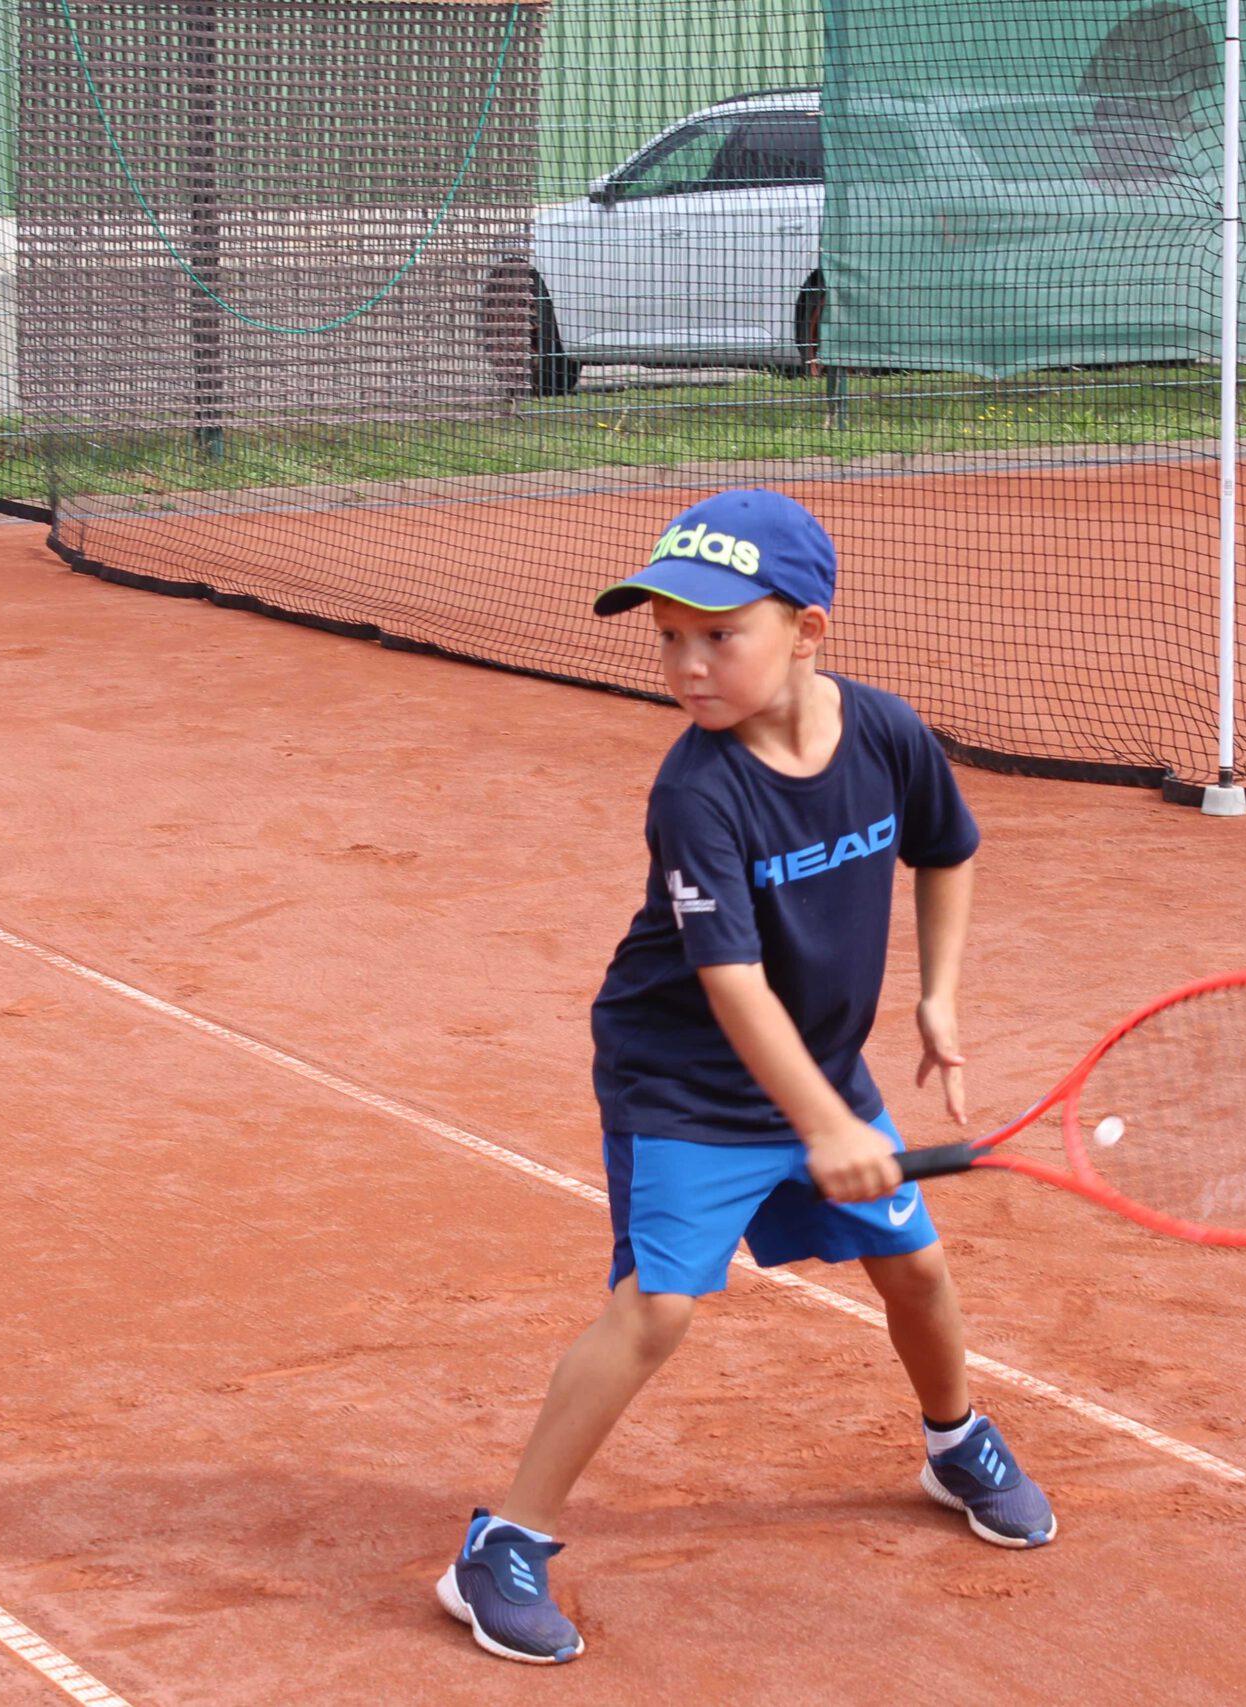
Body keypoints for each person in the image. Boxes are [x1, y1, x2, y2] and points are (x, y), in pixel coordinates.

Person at [436, 487, 1056, 1665]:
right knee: (659, 1306)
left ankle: (952, 1439)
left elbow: (949, 851)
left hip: (817, 1069)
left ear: (808, 630)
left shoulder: (883, 732)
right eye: (668, 637)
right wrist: (825, 1126)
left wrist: (936, 996)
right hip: (687, 1086)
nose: (688, 664)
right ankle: (501, 1545)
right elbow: (732, 986)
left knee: (915, 1269)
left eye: (720, 634)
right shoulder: (697, 791)